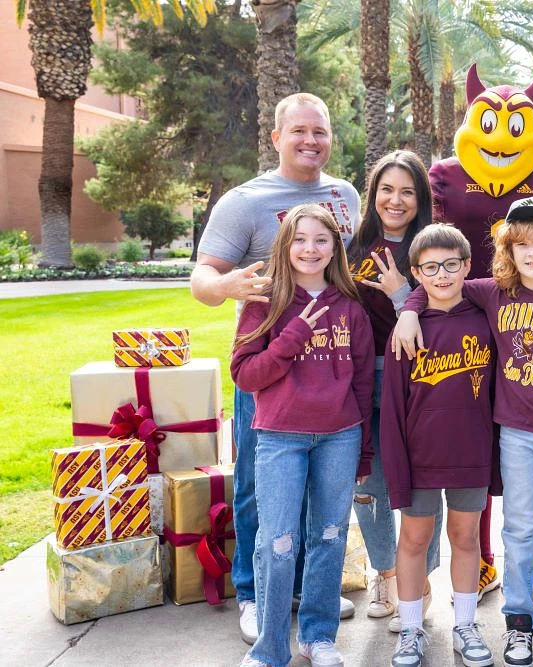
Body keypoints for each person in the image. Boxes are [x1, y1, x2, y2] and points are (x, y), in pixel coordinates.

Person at [394, 197, 533, 667]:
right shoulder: (494, 293)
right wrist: (408, 308)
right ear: (507, 251)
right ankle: (518, 625)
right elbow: (436, 283)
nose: (532, 253)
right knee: (520, 532)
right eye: (521, 244)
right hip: (516, 436)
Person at [191, 92, 358, 645]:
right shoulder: (245, 201)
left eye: (320, 131)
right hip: (268, 367)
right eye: (299, 131)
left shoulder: (345, 196)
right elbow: (201, 279)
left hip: (329, 363)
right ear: (276, 138)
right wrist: (227, 284)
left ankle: (308, 588)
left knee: (317, 488)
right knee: (257, 485)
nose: (311, 141)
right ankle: (254, 592)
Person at [428, 64, 533, 603]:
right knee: (476, 443)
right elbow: (430, 244)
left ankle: (527, 570)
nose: (501, 136)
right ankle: (482, 561)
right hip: (465, 316)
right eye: (489, 121)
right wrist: (418, 304)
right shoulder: (445, 174)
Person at [230, 203, 375, 667]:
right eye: (300, 239)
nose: (310, 249)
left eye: (320, 240)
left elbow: (362, 384)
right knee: (277, 542)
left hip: (339, 437)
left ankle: (318, 637)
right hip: (280, 438)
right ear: (285, 245)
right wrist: (292, 337)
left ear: (335, 248)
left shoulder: (350, 307)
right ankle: (270, 648)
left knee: (329, 536)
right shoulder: (265, 302)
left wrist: (364, 452)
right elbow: (245, 374)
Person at [380, 223, 497, 667]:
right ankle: (411, 628)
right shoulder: (406, 330)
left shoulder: (485, 319)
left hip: (471, 450)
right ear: (416, 273)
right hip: (420, 454)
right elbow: (393, 406)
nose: (442, 275)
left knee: (465, 537)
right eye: (430, 267)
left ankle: (465, 624)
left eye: (451, 265)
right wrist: (397, 464)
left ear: (467, 266)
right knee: (414, 538)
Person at [346, 150, 442, 632]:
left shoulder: (432, 247)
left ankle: (418, 579)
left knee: (422, 483)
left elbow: (443, 319)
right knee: (368, 483)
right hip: (361, 380)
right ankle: (386, 573)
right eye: (387, 189)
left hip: (417, 379)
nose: (396, 200)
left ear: (421, 198)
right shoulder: (352, 248)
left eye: (407, 191)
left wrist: (402, 293)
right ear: (374, 195)